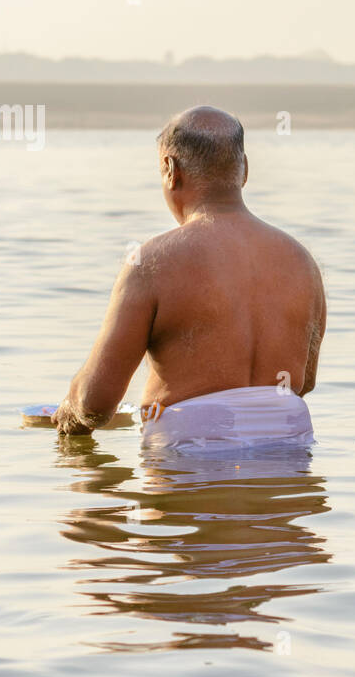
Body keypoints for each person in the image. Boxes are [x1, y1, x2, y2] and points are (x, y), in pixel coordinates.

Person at [53, 106, 326, 451]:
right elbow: (304, 382)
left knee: (82, 498)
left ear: (170, 170)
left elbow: (95, 402)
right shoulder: (302, 262)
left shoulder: (151, 263)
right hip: (288, 461)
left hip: (189, 462)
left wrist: (70, 412)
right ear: (244, 170)